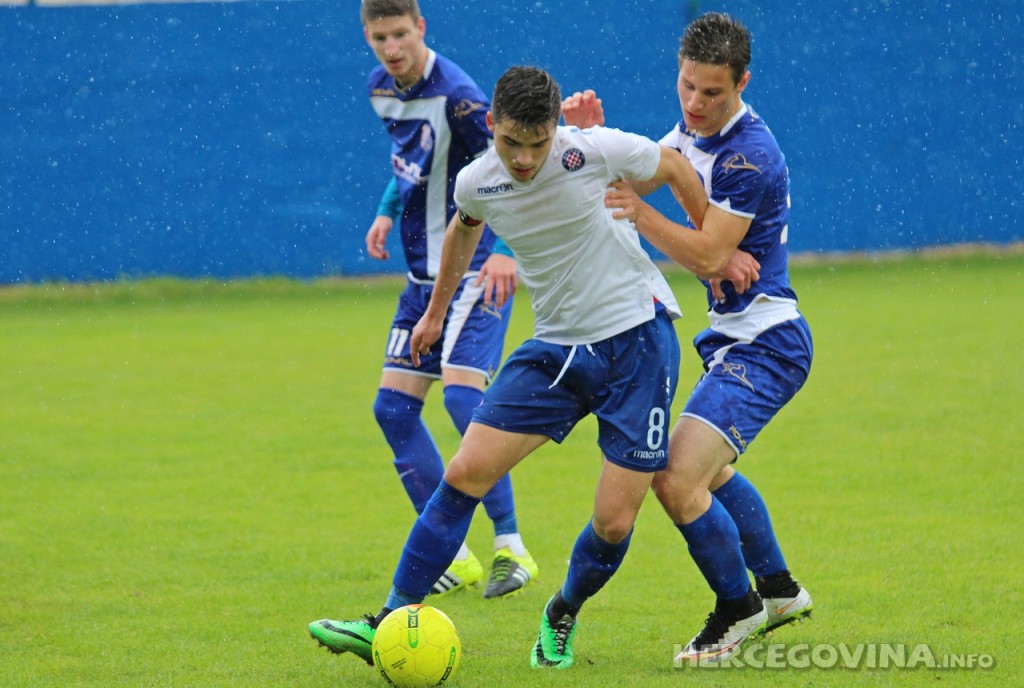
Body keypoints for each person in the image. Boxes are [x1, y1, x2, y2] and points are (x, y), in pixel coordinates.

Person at [306, 64, 719, 669]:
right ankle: (387, 620)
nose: (524, 159)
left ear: (555, 129)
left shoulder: (596, 150)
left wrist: (709, 242)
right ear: (492, 125)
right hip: (555, 348)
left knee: (612, 522)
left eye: (538, 143)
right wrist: (435, 314)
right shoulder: (477, 183)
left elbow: (677, 167)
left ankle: (562, 610)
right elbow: (462, 234)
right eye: (511, 143)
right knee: (465, 471)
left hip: (637, 342)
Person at [562, 11, 814, 663]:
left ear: (742, 83)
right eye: (687, 86)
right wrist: (589, 141)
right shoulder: (685, 133)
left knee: (674, 478)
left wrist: (641, 211)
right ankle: (780, 590)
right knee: (712, 469)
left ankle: (738, 611)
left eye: (712, 93)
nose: (695, 104)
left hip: (768, 344)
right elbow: (623, 180)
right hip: (733, 341)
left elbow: (707, 256)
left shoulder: (751, 155)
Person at [319, 0, 539, 622]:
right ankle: (451, 557)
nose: (391, 47)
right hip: (421, 275)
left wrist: (504, 251)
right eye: (378, 37)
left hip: (472, 268)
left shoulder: (464, 98)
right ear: (367, 36)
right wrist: (388, 207)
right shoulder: (379, 88)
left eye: (400, 34)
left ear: (421, 27)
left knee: (464, 401)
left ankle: (511, 547)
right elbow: (411, 160)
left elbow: (514, 169)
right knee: (392, 408)